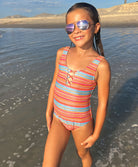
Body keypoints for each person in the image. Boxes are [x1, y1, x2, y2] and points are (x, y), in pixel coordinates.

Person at [42, 2, 111, 167]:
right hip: (58, 119)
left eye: (82, 24)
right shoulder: (61, 53)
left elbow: (102, 104)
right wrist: (48, 111)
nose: (76, 30)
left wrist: (95, 135)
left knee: (83, 154)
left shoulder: (101, 65)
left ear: (96, 27)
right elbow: (54, 84)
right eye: (70, 27)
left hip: (81, 123)